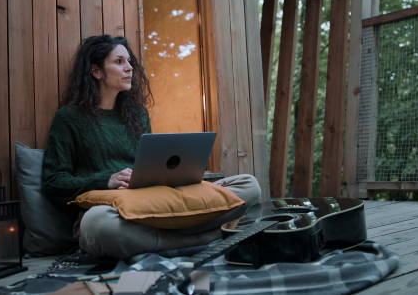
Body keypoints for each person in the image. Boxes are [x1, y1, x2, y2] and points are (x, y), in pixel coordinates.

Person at [42, 35, 261, 259]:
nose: (129, 68)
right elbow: (54, 182)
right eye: (119, 62)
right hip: (116, 209)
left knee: (249, 185)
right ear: (96, 71)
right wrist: (107, 180)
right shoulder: (68, 119)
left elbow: (153, 165)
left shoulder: (137, 115)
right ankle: (202, 237)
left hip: (155, 202)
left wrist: (181, 172)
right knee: (96, 225)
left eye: (129, 62)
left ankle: (168, 241)